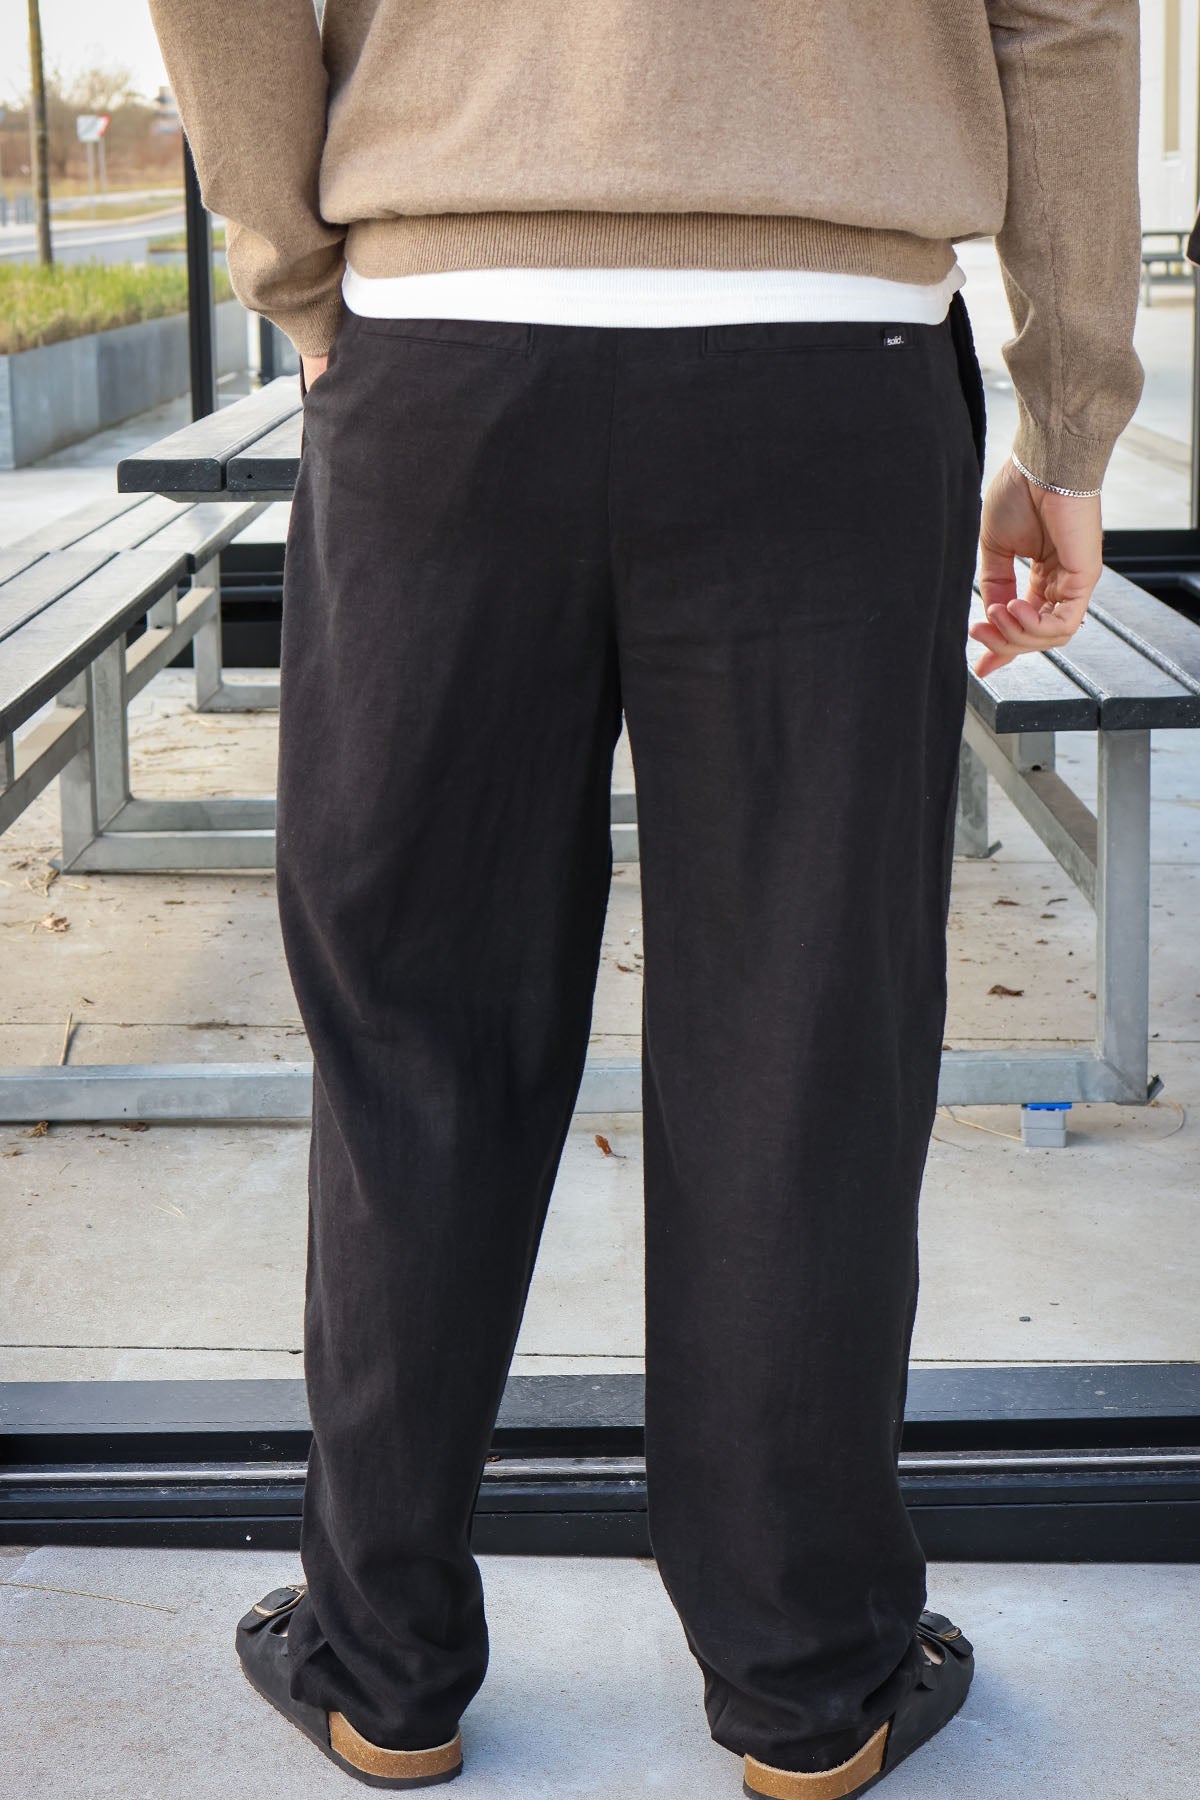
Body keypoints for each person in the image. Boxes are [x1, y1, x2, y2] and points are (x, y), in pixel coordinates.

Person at [146, 3, 1143, 1795]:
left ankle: (382, 1670)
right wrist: (1069, 417)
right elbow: (1058, 13)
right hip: (827, 355)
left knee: (413, 1030)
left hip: (443, 341)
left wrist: (298, 272)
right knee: (803, 1035)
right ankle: (809, 1682)